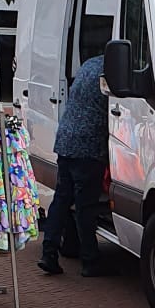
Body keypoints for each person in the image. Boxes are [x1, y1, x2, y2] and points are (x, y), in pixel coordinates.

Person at [39, 53, 110, 277]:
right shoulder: (111, 74)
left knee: (61, 200)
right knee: (84, 206)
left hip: (66, 140)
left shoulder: (89, 64)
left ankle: (48, 253)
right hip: (88, 146)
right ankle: (90, 259)